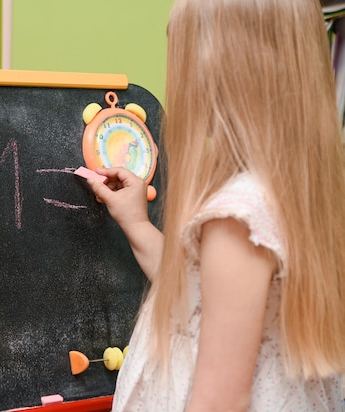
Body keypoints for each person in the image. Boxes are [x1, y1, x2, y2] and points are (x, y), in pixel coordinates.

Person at [85, 0, 345, 410]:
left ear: (218, 73)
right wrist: (137, 223)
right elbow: (198, 301)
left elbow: (219, 401)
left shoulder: (238, 217)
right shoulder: (290, 192)